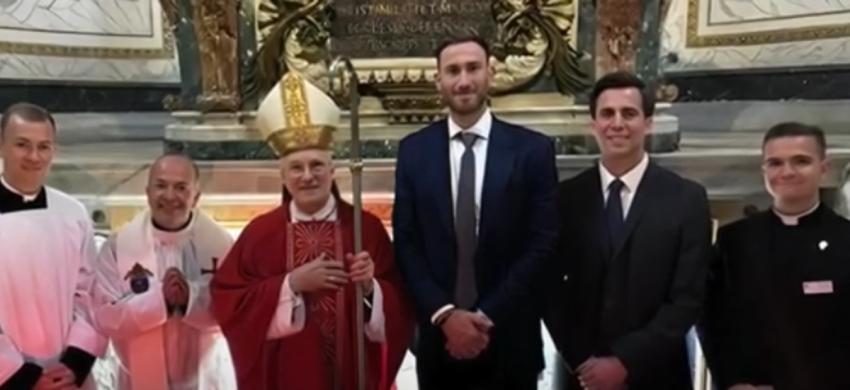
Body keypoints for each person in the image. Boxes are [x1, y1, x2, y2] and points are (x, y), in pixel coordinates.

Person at [209, 71, 414, 390]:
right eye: (296, 167)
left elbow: (402, 303)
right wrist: (291, 284)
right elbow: (228, 303)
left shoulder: (366, 229)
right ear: (283, 175)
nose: (308, 176)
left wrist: (371, 288)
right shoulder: (261, 234)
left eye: (317, 165)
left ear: (333, 171)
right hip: (285, 376)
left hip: (353, 376)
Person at [392, 33, 559, 390]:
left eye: (473, 68)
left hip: (510, 339)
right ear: (439, 80)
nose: (464, 80)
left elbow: (541, 243)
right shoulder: (413, 152)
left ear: (491, 73)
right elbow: (406, 242)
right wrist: (446, 315)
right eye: (453, 70)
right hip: (440, 341)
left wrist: (484, 316)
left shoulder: (533, 150)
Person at [544, 72, 713, 390]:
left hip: (659, 374)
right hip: (582, 376)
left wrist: (624, 361)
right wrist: (583, 362)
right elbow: (551, 292)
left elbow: (688, 298)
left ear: (648, 123)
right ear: (592, 124)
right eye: (607, 114)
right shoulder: (564, 199)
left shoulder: (686, 199)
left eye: (629, 113)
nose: (617, 123)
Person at [699, 122, 850, 390]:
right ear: (764, 171)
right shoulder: (734, 241)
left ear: (823, 169)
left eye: (801, 161)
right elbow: (713, 320)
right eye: (775, 163)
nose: (787, 172)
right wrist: (733, 381)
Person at [91, 153, 235, 389]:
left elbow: (236, 311)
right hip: (136, 381)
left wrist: (190, 298)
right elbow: (105, 316)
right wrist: (159, 301)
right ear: (147, 192)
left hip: (205, 380)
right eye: (161, 186)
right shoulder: (118, 246)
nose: (170, 196)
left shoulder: (222, 245)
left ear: (196, 196)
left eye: (181, 187)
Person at [0, 102, 108, 390]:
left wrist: (73, 365)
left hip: (68, 378)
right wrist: (23, 378)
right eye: (22, 145)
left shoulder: (73, 214)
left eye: (44, 146)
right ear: (1, 146)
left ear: (54, 151)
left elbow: (90, 294)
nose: (34, 156)